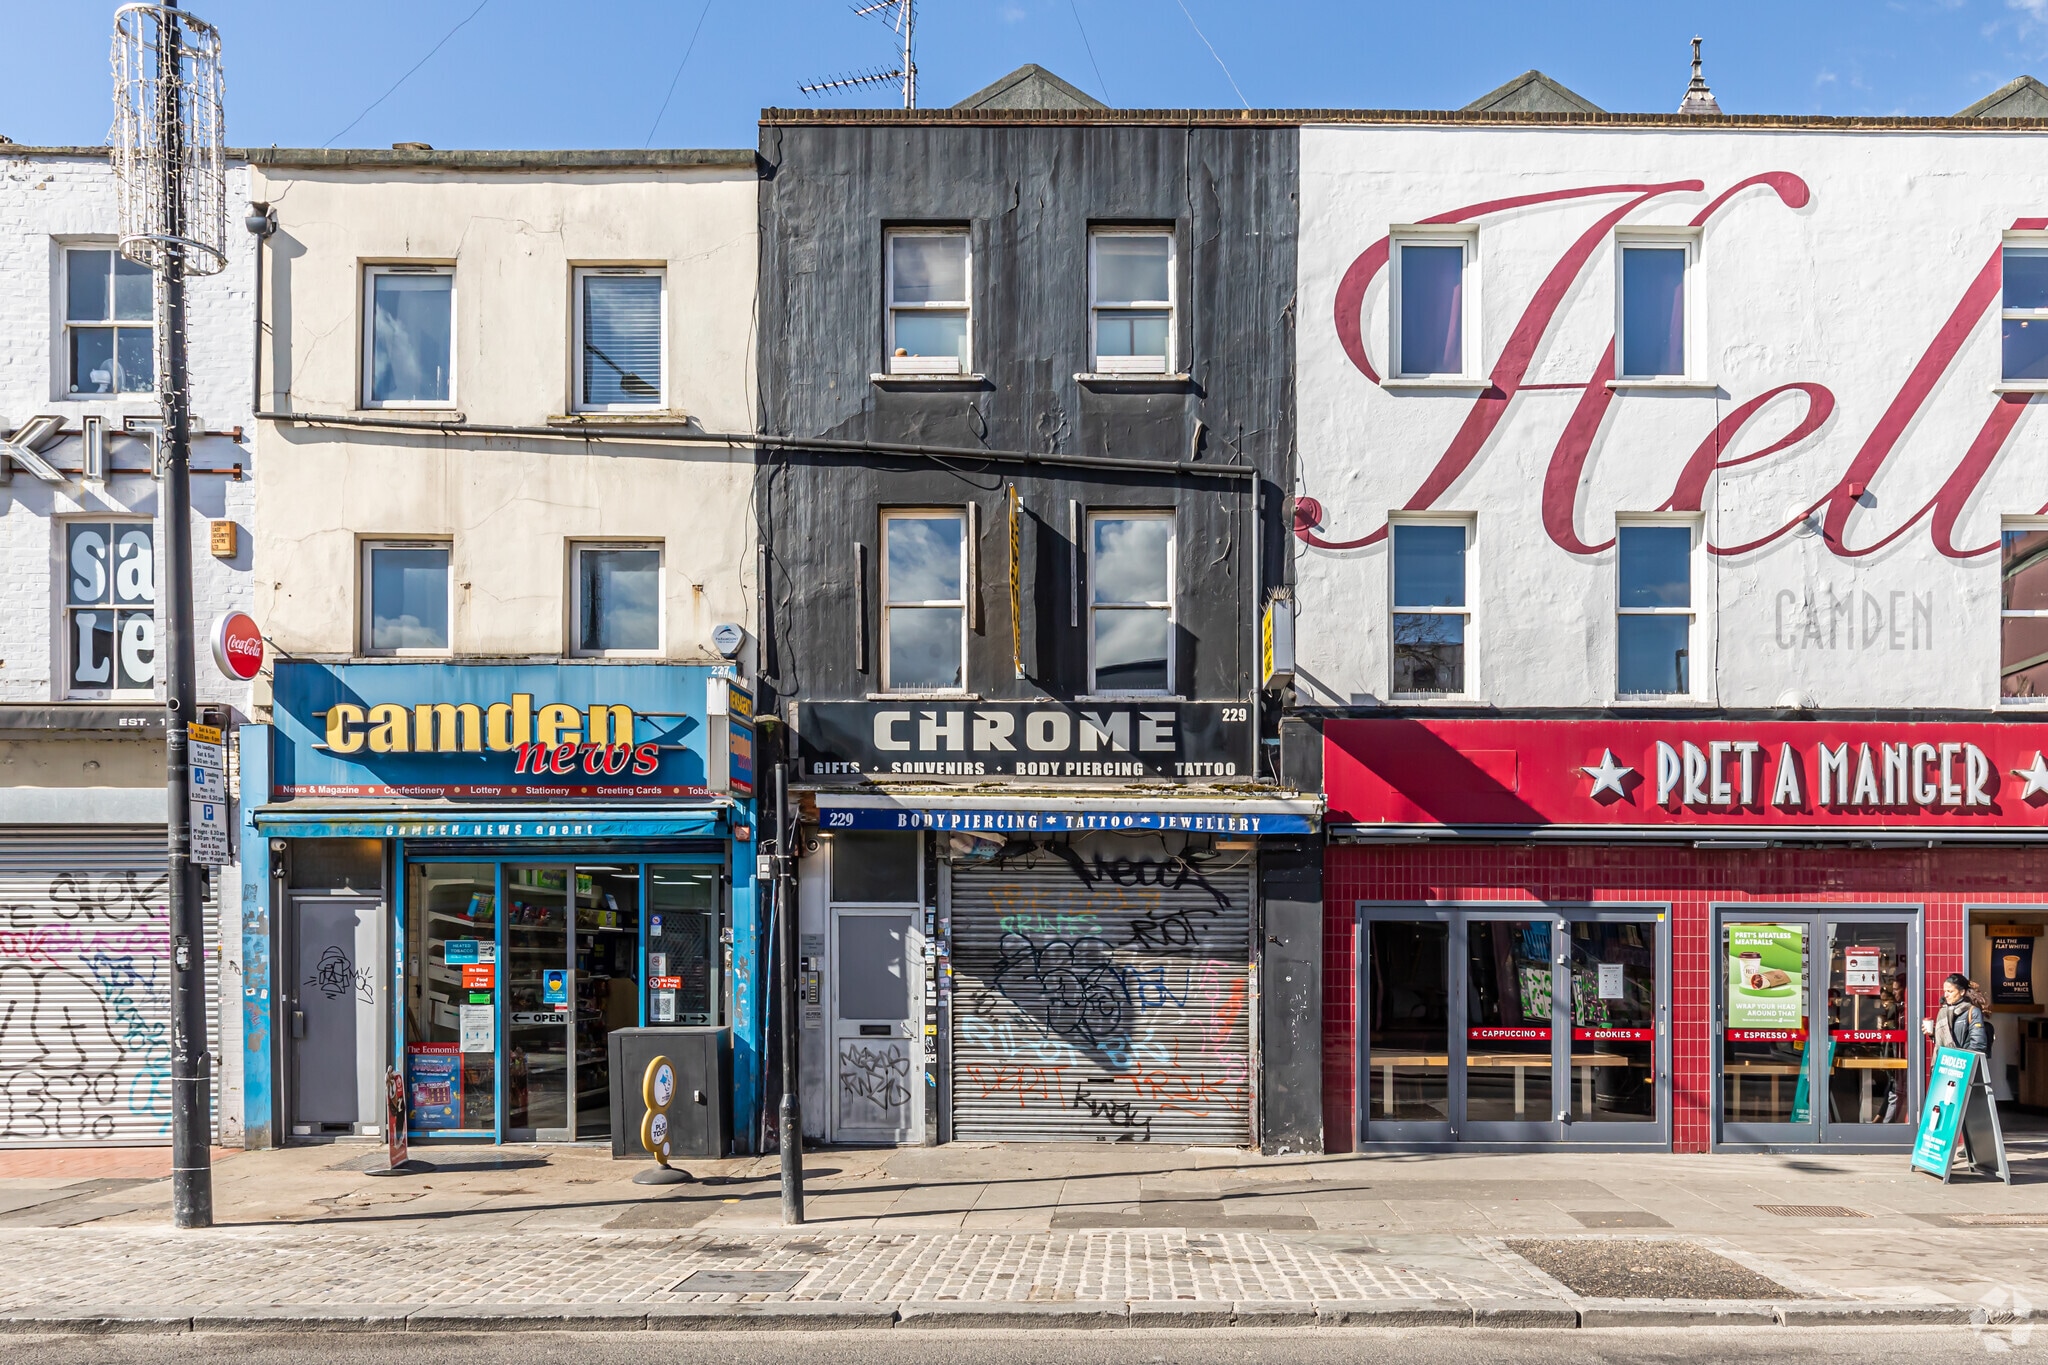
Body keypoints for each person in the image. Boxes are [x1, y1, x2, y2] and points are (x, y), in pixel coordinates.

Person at [1921, 973, 1990, 1053]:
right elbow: (1944, 1042)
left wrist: (1962, 1059)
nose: (1946, 995)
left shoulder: (1972, 1011)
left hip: (1963, 1062)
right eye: (1945, 991)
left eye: (1950, 991)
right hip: (1945, 1061)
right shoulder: (1943, 1011)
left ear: (1962, 992)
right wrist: (1933, 1033)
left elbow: (1978, 1044)